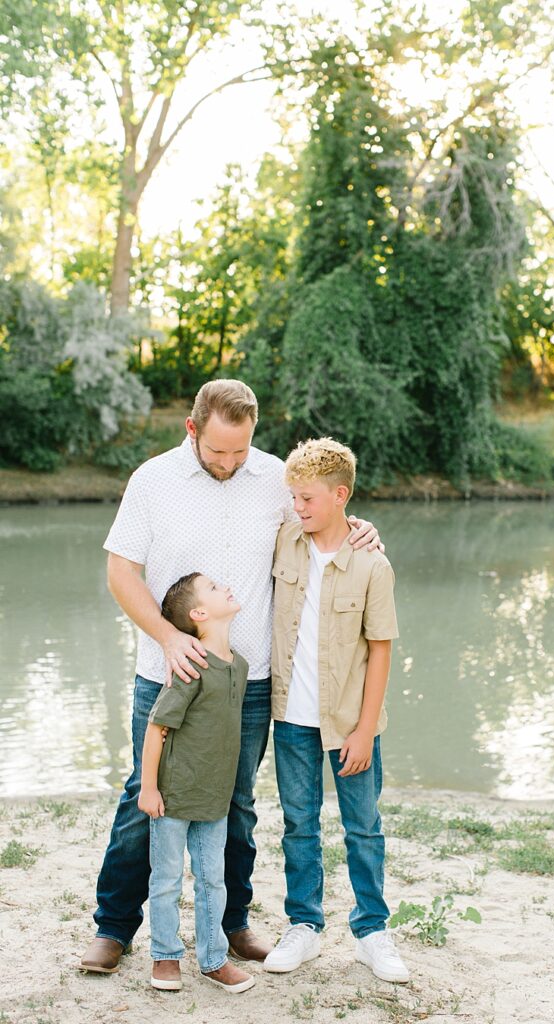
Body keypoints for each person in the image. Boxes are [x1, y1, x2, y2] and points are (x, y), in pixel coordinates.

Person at [80, 379, 379, 975]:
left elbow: (322, 515)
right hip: (167, 674)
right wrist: (169, 637)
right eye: (218, 451)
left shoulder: (273, 477)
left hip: (251, 682)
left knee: (236, 805)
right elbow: (121, 572)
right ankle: (114, 928)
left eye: (240, 451)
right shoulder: (152, 480)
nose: (230, 462)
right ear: (192, 429)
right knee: (145, 799)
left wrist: (360, 527)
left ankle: (232, 923)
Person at [264, 437, 409, 984]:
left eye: (307, 499)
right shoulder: (285, 540)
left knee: (363, 828)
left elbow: (381, 648)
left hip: (351, 723)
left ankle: (372, 931)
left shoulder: (372, 565)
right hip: (292, 720)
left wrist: (365, 730)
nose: (297, 508)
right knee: (299, 825)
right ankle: (304, 925)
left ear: (340, 494)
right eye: (293, 498)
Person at [139, 572, 255, 994]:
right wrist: (149, 788)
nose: (226, 585)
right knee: (167, 878)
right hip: (172, 795)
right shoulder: (191, 665)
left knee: (213, 880)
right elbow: (158, 726)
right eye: (212, 587)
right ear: (199, 613)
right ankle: (166, 956)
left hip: (215, 796)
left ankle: (213, 959)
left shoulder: (238, 666)